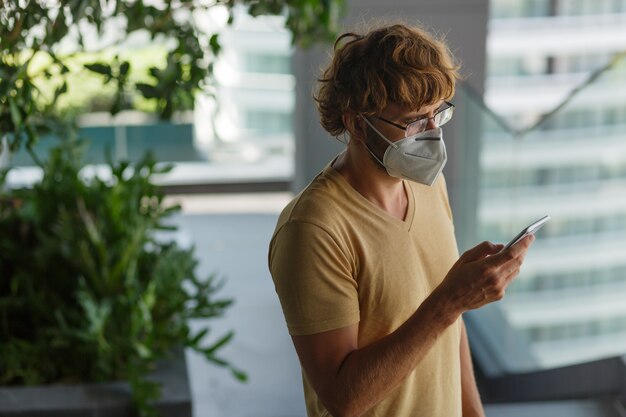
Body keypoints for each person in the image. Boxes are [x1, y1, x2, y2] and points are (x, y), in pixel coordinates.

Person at [268, 23, 534, 417]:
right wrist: (449, 300)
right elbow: (343, 398)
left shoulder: (429, 185)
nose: (431, 134)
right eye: (413, 121)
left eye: (437, 115)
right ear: (358, 124)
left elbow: (449, 329)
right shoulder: (313, 230)